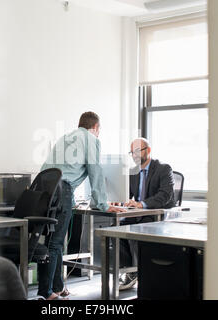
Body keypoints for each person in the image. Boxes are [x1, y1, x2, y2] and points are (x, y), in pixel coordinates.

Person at [37, 111, 126, 300]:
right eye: (99, 130)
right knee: (56, 243)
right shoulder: (91, 139)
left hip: (44, 190)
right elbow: (95, 171)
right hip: (62, 191)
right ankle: (46, 293)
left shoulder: (65, 138)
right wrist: (102, 204)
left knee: (53, 241)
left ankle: (57, 287)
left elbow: (62, 168)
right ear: (95, 127)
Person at [119, 137, 176, 290]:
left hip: (157, 213)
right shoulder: (133, 172)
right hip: (138, 214)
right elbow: (127, 194)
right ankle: (130, 270)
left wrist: (142, 204)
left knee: (139, 229)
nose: (134, 155)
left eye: (137, 151)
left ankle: (142, 272)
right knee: (116, 228)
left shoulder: (163, 169)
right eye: (132, 152)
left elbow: (165, 195)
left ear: (148, 151)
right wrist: (118, 201)